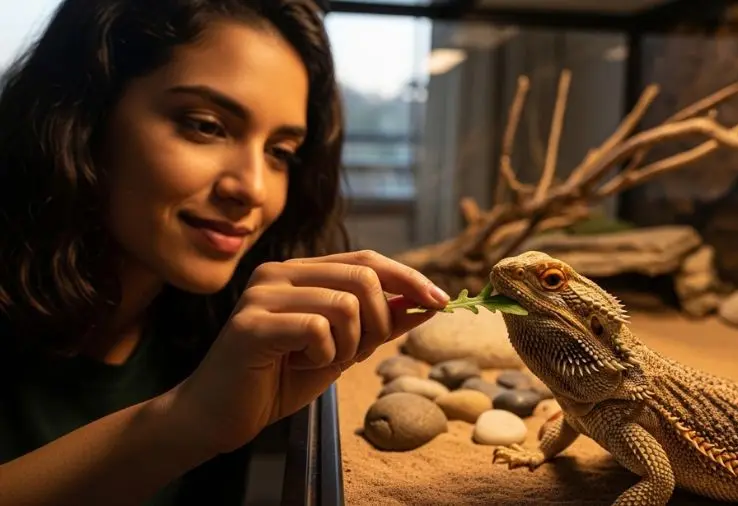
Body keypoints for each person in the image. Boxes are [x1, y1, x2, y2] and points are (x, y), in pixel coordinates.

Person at [0, 0, 450, 504]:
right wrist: (182, 423)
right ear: (85, 112)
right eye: (206, 125)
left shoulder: (213, 330)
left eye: (281, 152)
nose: (253, 188)